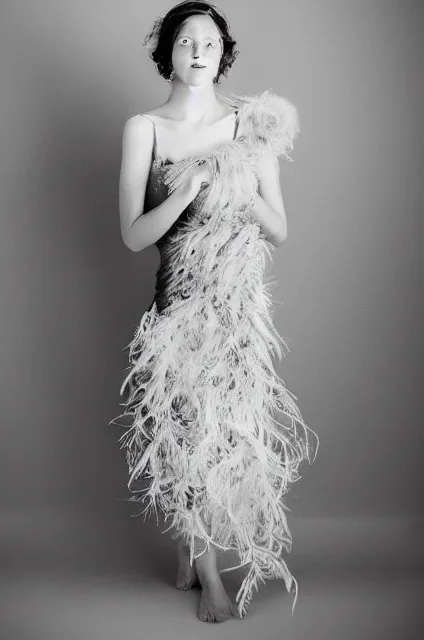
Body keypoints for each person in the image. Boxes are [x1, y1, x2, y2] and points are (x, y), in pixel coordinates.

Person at [109, 0, 318, 624]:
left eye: (208, 41)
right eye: (184, 40)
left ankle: (186, 548)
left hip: (237, 309)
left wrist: (235, 175)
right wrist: (191, 188)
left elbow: (278, 229)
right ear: (167, 55)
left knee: (221, 438)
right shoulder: (143, 128)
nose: (197, 49)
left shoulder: (251, 125)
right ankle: (210, 578)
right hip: (178, 307)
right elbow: (133, 235)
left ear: (222, 55)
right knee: (184, 435)